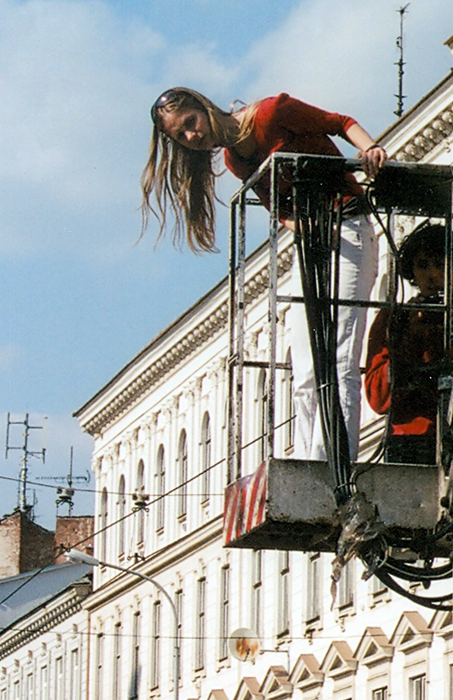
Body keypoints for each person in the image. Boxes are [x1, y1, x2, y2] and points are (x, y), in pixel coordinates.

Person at [141, 87, 387, 462]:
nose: (192, 137)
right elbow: (277, 206)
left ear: (204, 106)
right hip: (313, 242)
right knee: (305, 364)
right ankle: (311, 462)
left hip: (347, 227)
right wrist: (294, 223)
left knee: (339, 357)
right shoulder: (235, 159)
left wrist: (370, 148)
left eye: (190, 123)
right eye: (181, 136)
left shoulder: (272, 114)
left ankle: (337, 466)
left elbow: (339, 123)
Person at [364, 223, 453, 464]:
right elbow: (376, 396)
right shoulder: (393, 320)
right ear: (413, 273)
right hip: (411, 442)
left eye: (441, 265)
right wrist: (412, 339)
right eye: (423, 265)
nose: (433, 275)